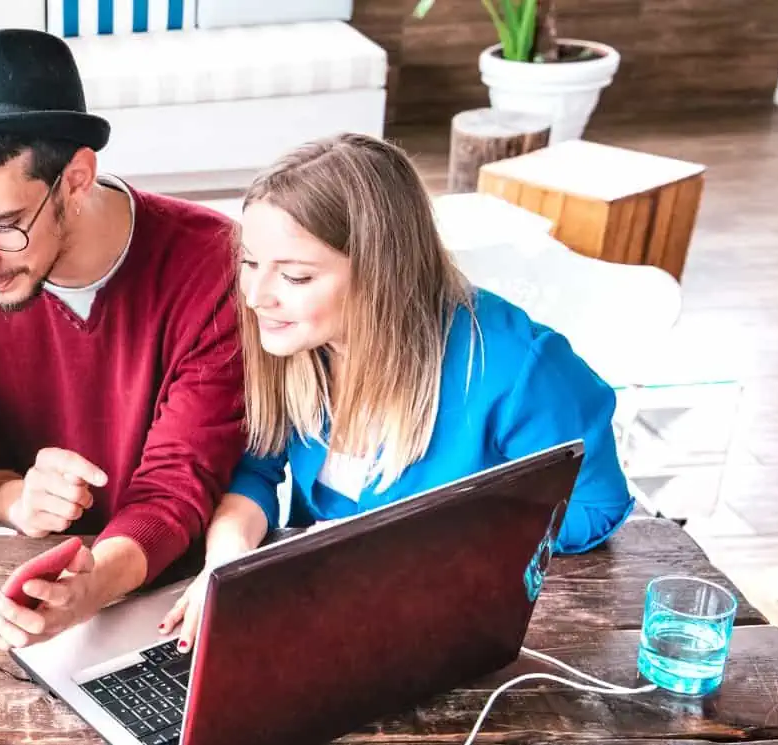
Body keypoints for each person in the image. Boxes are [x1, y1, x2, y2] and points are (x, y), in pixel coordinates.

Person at [159, 133, 637, 646]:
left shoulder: (517, 366)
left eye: (295, 277)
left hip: (446, 621)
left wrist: (438, 544)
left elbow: (594, 504)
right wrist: (224, 566)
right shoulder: (291, 341)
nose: (255, 297)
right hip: (319, 612)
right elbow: (255, 471)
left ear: (380, 273)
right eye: (250, 263)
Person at [0, 29, 248, 652]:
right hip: (26, 579)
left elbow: (176, 491)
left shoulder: (213, 265)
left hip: (170, 599)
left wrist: (89, 589)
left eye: (3, 228)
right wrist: (13, 498)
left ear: (77, 180)